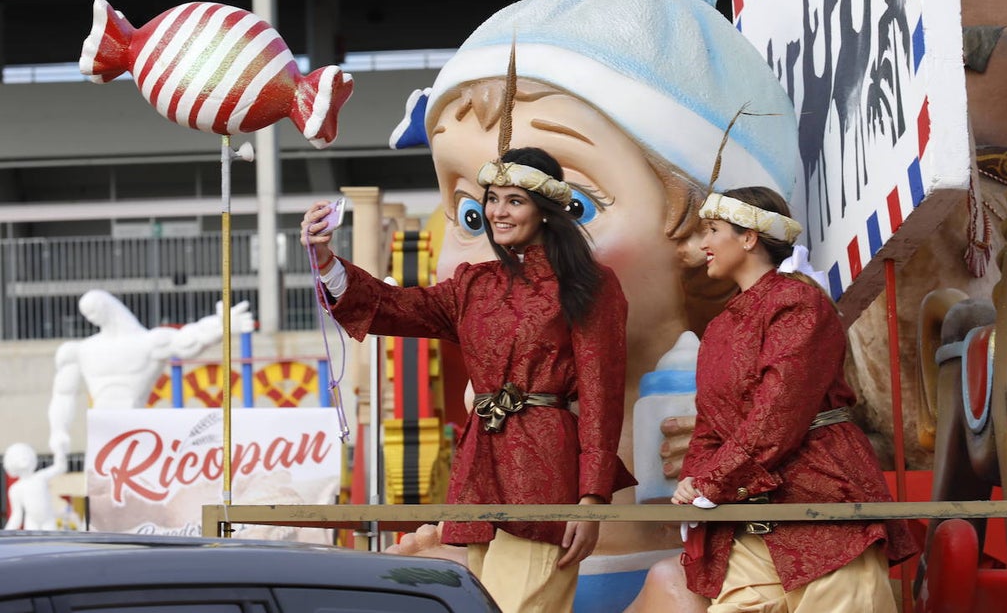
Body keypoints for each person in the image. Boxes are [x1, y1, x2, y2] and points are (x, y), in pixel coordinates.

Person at [386, 0, 799, 611]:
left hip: (660, 562)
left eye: (574, 203)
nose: (495, 234)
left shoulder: (746, 343)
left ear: (707, 229)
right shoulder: (498, 355)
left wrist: (718, 436)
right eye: (468, 209)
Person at [300, 144, 635, 613]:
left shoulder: (589, 284)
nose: (497, 211)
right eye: (492, 198)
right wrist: (325, 263)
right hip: (479, 465)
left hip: (545, 467)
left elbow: (603, 392)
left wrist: (592, 496)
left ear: (547, 210)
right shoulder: (473, 283)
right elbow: (394, 307)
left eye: (514, 200)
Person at [671, 186, 918, 613]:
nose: (703, 244)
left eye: (712, 230)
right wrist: (693, 480)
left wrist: (716, 482)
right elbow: (711, 422)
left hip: (823, 499)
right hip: (749, 517)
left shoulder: (798, 302)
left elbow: (779, 410)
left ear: (749, 237)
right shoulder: (719, 327)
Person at [48, 290, 253, 456]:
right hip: (101, 435)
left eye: (94, 310)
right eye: (87, 313)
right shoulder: (80, 350)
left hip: (138, 433)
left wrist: (220, 326)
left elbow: (189, 340)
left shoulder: (149, 343)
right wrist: (58, 431)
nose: (92, 316)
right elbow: (63, 394)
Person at [3, 441, 67, 530]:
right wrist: (5, 535)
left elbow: (60, 467)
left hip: (48, 520)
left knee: (50, 542)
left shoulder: (41, 477)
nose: (23, 457)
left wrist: (60, 451)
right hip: (31, 522)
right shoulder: (15, 489)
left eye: (25, 454)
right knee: (31, 542)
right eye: (18, 455)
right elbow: (16, 516)